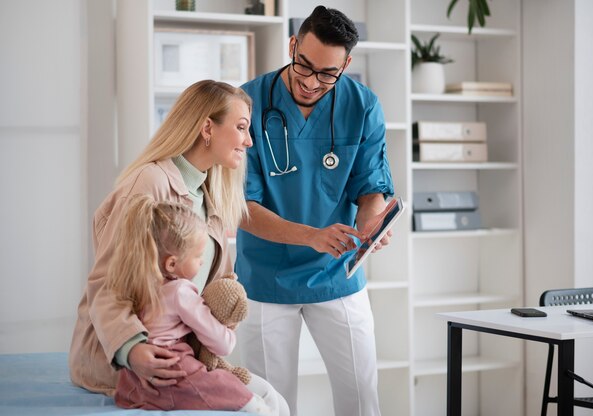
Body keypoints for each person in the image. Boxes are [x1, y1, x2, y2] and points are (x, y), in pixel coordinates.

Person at [69, 80, 288, 415]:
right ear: (206, 128)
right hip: (140, 360)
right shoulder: (150, 182)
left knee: (275, 401)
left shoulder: (210, 191)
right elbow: (106, 283)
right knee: (262, 409)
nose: (249, 141)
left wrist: (223, 322)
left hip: (187, 356)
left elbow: (221, 280)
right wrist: (133, 349)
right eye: (241, 128)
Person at [235, 6, 395, 416]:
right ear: (292, 45)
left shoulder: (362, 106)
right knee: (269, 405)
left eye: (328, 74)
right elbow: (240, 206)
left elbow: (371, 185)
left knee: (362, 398)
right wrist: (312, 235)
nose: (311, 82)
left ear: (346, 65)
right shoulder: (246, 103)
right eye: (304, 66)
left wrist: (370, 227)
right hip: (266, 277)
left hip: (337, 273)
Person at [109, 194, 275, 413]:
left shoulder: (138, 283)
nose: (202, 262)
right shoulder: (181, 291)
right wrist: (228, 330)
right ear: (172, 263)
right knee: (225, 389)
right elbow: (221, 344)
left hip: (134, 376)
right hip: (172, 363)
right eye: (198, 257)